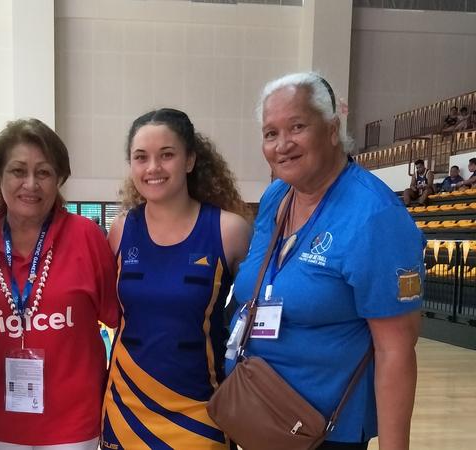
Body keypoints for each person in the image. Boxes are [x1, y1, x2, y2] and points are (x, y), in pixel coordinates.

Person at [224, 72, 422, 450]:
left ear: (332, 129)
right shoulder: (277, 196)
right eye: (270, 133)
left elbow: (396, 350)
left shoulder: (374, 217)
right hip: (256, 411)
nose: (282, 145)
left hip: (322, 431)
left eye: (297, 126)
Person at [100, 108, 253, 449]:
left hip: (201, 413)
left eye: (166, 155)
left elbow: (254, 317)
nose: (153, 167)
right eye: (141, 157)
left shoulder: (229, 231)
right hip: (126, 408)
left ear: (190, 160)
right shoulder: (121, 230)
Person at [0, 118, 120, 450]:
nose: (31, 184)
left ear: (59, 180)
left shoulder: (86, 237)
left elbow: (119, 322)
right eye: (18, 171)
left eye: (43, 173)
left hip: (73, 426)